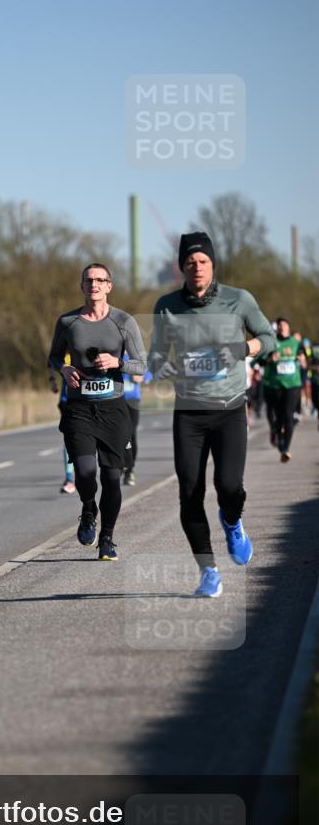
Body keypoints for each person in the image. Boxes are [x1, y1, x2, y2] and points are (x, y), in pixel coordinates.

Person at [148, 231, 275, 597]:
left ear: (212, 265)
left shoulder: (239, 300)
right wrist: (163, 366)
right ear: (181, 267)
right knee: (190, 492)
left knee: (229, 487)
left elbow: (268, 338)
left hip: (229, 408)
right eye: (190, 262)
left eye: (203, 261)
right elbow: (157, 353)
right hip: (188, 413)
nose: (197, 267)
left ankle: (233, 522)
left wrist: (239, 347)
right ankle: (208, 572)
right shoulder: (167, 305)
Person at [48, 263, 147, 561]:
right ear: (82, 286)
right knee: (86, 471)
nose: (94, 284)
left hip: (114, 410)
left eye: (100, 280)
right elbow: (53, 357)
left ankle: (107, 538)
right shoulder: (67, 322)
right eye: (88, 280)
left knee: (113, 476)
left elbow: (141, 365)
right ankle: (88, 508)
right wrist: (64, 368)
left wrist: (118, 363)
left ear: (109, 286)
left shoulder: (124, 321)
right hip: (79, 409)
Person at [262, 317, 303, 463]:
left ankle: (286, 448)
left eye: (284, 325)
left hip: (293, 384)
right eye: (279, 325)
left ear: (288, 327)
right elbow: (261, 361)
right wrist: (270, 360)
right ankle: (279, 440)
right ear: (277, 328)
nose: (281, 327)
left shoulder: (295, 343)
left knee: (288, 415)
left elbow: (302, 357)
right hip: (276, 385)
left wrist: (302, 360)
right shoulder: (272, 342)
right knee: (278, 417)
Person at [121, 357, 152, 486]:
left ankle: (130, 470)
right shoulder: (111, 350)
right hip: (114, 400)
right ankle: (119, 466)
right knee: (118, 435)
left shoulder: (135, 354)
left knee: (131, 435)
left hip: (132, 401)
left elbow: (149, 373)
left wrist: (142, 377)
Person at [47, 359, 76, 494]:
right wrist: (52, 381)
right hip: (67, 400)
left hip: (90, 399)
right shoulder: (63, 340)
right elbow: (52, 360)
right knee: (69, 438)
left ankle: (87, 473)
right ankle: (69, 479)